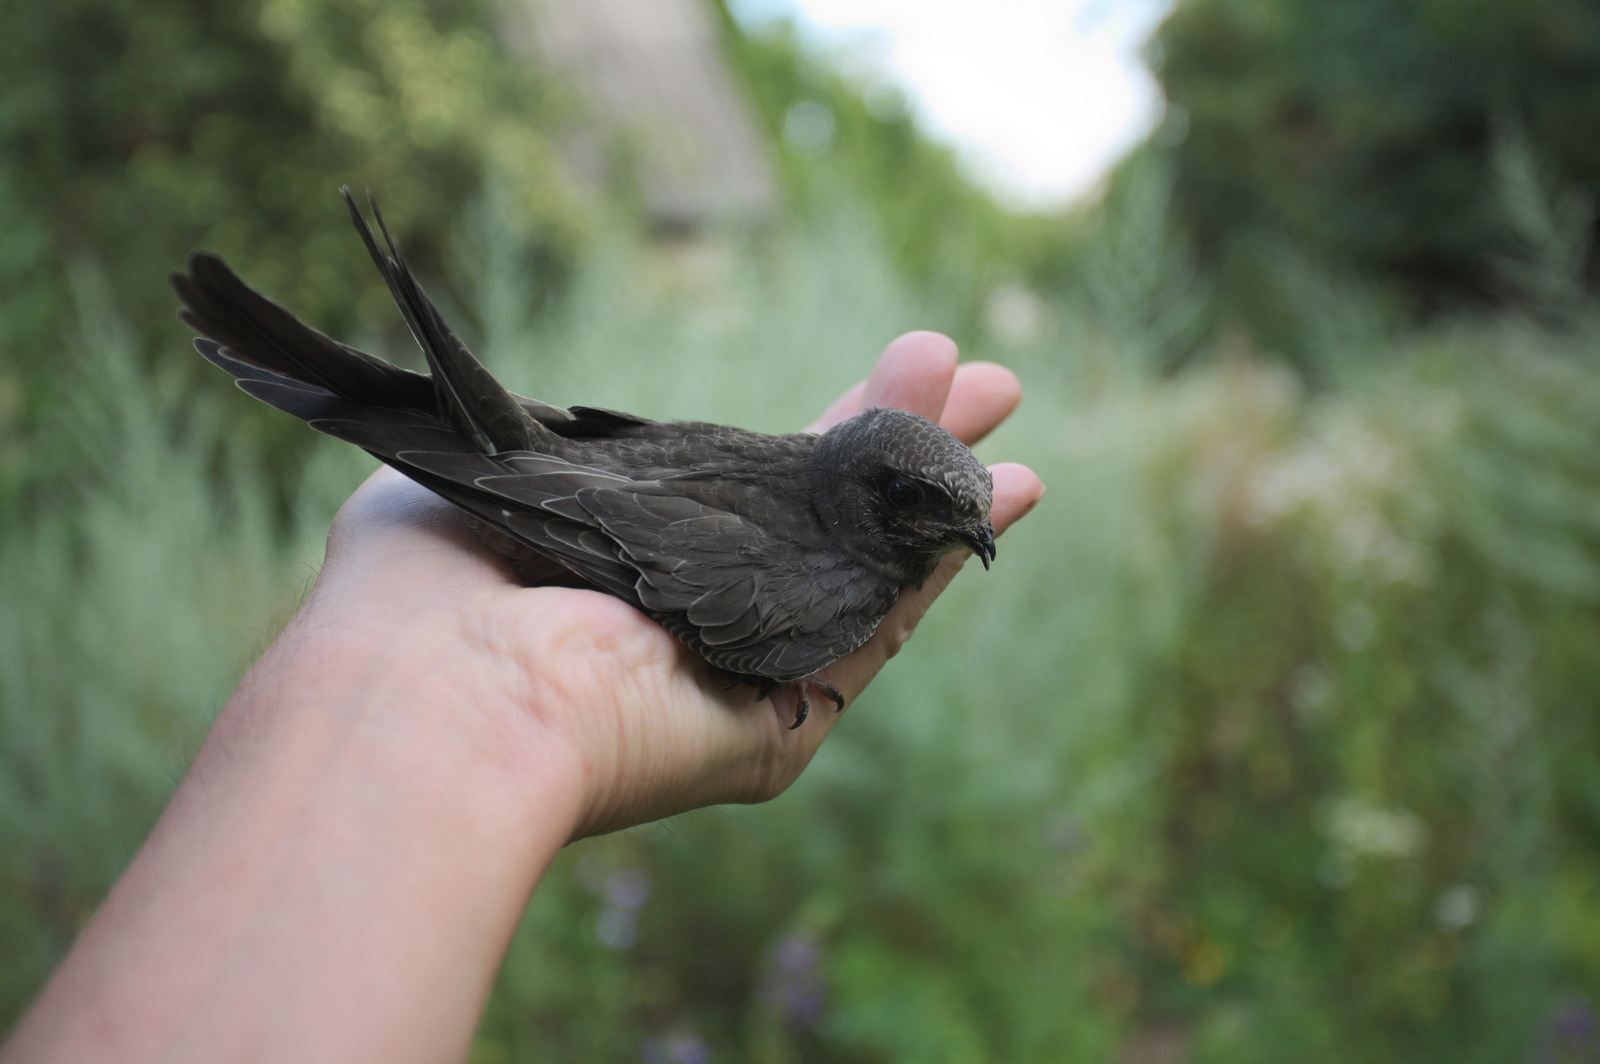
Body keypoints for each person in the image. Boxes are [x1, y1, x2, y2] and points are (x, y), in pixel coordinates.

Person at [0, 331, 1044, 1063]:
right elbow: (617, 510)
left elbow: (618, 466)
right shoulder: (843, 583)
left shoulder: (822, 501)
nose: (964, 536)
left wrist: (492, 450)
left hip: (574, 470)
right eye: (930, 509)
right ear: (867, 492)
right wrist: (485, 473)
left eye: (968, 519)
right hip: (573, 497)